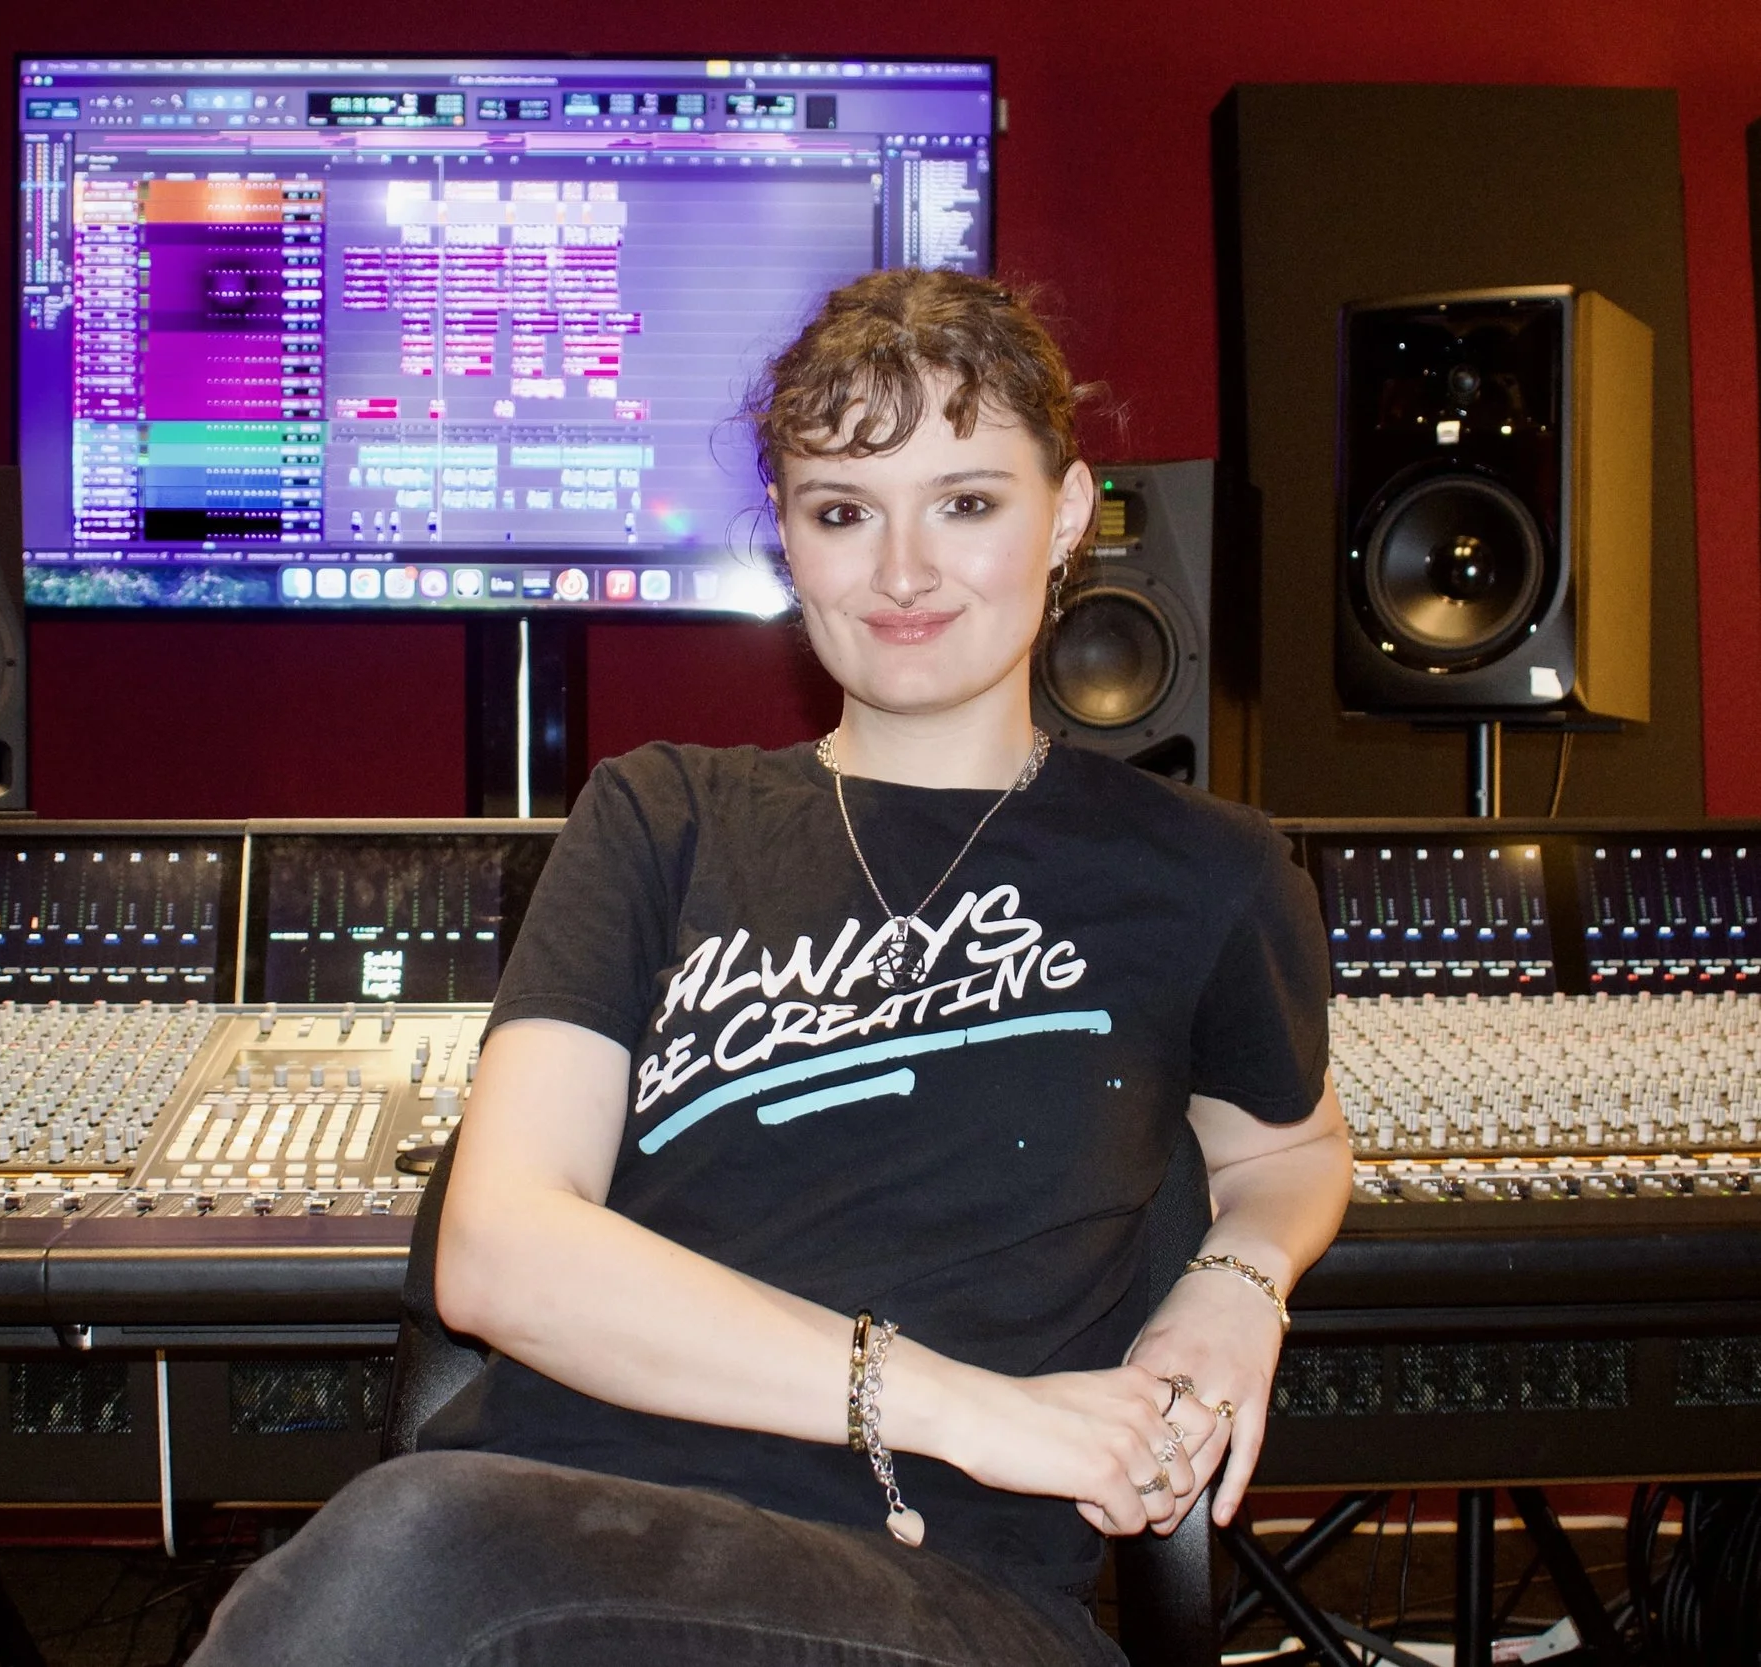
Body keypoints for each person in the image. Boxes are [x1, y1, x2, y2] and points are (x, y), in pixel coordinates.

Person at [190, 268, 1353, 1666]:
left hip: (928, 1586)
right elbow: (498, 1252)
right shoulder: (658, 815)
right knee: (408, 1548)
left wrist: (1239, 1284)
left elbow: (1290, 1150)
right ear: (789, 545)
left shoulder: (1202, 870)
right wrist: (969, 1406)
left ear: (1067, 515)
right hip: (547, 1514)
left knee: (402, 1562)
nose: (904, 572)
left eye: (968, 503)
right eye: (843, 512)